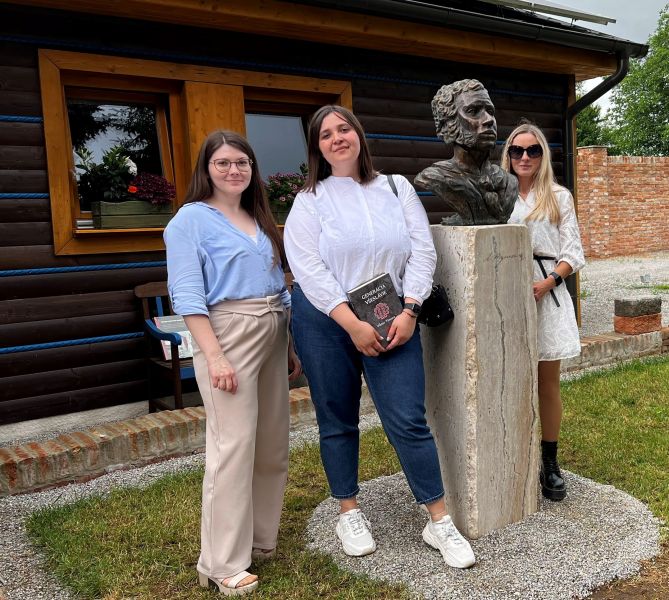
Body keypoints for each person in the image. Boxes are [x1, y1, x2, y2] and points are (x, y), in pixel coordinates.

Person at [284, 105, 476, 569]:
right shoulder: (309, 200)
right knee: (336, 417)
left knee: (407, 418)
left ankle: (438, 520)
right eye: (325, 134)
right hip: (325, 319)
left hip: (391, 314)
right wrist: (351, 323)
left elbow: (422, 251)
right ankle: (348, 512)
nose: (337, 138)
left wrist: (411, 310)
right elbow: (307, 267)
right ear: (317, 147)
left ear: (358, 134)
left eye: (343, 129)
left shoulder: (396, 187)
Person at [164, 130, 301, 595]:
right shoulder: (189, 221)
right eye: (222, 162)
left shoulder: (258, 217)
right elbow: (187, 295)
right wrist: (215, 356)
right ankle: (221, 563)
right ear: (206, 169)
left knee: (271, 443)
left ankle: (260, 539)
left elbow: (278, 283)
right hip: (228, 335)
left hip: (273, 328)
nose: (233, 170)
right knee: (233, 447)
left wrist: (288, 345)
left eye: (241, 162)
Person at [501, 122, 585, 501]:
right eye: (517, 150)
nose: (524, 157)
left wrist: (548, 282)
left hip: (546, 293)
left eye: (532, 150)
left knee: (547, 382)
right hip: (506, 297)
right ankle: (513, 456)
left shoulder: (558, 196)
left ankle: (549, 462)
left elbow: (573, 252)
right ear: (508, 154)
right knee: (510, 379)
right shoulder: (500, 196)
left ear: (542, 155)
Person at [415, 79, 517, 225]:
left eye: (490, 111)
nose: (489, 120)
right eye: (473, 111)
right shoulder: (435, 177)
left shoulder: (509, 183)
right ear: (448, 123)